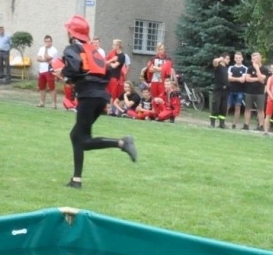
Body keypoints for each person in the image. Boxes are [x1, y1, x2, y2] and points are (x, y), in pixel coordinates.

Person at [60, 15, 137, 189]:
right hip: (100, 96)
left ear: (72, 33)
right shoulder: (94, 50)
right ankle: (76, 180)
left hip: (88, 96)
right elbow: (106, 72)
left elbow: (74, 67)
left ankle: (122, 143)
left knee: (83, 140)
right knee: (76, 136)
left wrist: (66, 76)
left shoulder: (73, 48)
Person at [143, 43, 173, 111]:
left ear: (164, 50)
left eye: (162, 49)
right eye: (159, 49)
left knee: (162, 97)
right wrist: (161, 69)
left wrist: (156, 68)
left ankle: (163, 112)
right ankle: (155, 112)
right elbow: (149, 69)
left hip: (163, 81)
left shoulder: (168, 59)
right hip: (154, 80)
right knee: (154, 97)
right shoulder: (153, 58)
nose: (161, 51)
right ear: (156, 50)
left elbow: (167, 70)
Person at [226, 51, 250, 128]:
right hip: (231, 90)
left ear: (242, 59)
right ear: (234, 59)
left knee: (238, 107)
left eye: (239, 58)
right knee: (227, 106)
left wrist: (234, 78)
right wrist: (238, 79)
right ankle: (222, 121)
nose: (238, 59)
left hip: (240, 91)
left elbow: (243, 80)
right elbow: (229, 78)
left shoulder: (245, 68)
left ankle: (234, 124)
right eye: (236, 58)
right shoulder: (231, 68)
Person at [33, 35, 59, 107]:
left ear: (51, 41)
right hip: (42, 70)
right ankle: (42, 102)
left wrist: (46, 50)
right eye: (46, 41)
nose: (48, 43)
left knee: (52, 87)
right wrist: (45, 60)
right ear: (44, 41)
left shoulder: (54, 50)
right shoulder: (41, 48)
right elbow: (38, 58)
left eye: (49, 41)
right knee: (42, 87)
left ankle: (54, 103)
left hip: (49, 70)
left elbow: (48, 57)